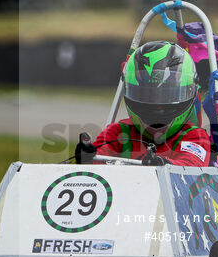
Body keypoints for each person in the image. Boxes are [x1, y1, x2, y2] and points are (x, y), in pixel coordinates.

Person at [75, 41, 211, 166]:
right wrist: (87, 159)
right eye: (148, 95)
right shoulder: (119, 132)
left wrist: (163, 165)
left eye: (165, 95)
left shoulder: (194, 136)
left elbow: (191, 166)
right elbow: (98, 162)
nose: (157, 107)